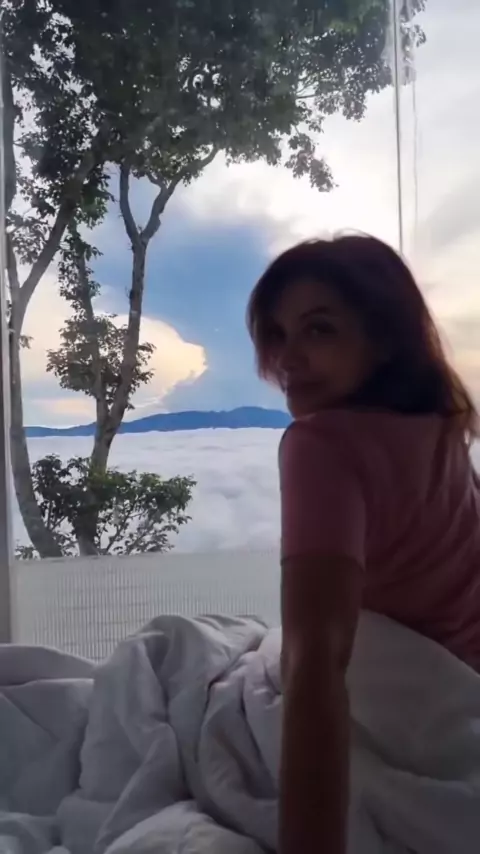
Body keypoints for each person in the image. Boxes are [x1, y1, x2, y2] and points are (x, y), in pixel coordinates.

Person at [247, 233, 480, 854]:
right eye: (279, 334)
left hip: (395, 721)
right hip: (460, 716)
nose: (288, 357)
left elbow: (316, 661)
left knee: (171, 656)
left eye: (319, 330)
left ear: (383, 339)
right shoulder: (445, 429)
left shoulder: (321, 446)